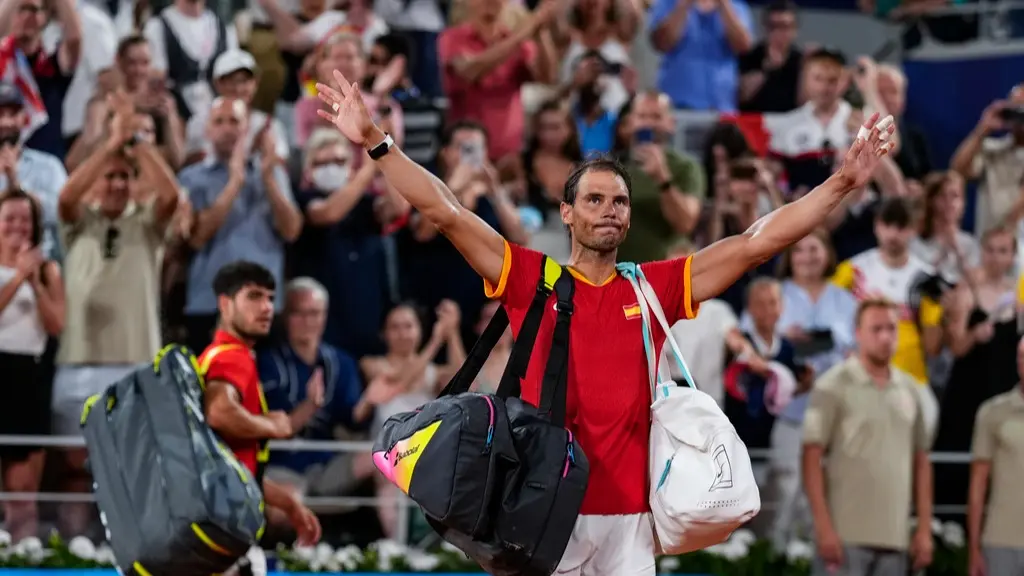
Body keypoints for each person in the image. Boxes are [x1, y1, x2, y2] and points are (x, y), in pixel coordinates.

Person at [315, 68, 894, 574]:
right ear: (566, 213)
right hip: (542, 514)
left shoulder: (652, 286)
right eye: (593, 200)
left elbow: (752, 245)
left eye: (618, 201)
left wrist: (841, 183)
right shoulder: (530, 277)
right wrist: (374, 140)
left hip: (630, 522)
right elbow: (445, 209)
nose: (609, 210)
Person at [199, 261, 322, 572]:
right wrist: (272, 425)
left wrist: (289, 504)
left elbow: (237, 468)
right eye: (253, 296)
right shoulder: (232, 356)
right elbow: (219, 412)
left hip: (211, 525)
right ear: (225, 304)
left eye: (270, 297)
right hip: (222, 531)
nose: (266, 307)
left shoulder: (213, 356)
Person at [802, 299, 935, 576]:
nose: (886, 337)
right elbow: (811, 458)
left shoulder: (911, 390)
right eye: (876, 329)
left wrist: (923, 529)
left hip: (895, 538)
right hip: (843, 535)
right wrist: (824, 527)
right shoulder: (832, 386)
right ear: (858, 333)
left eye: (891, 329)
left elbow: (921, 461)